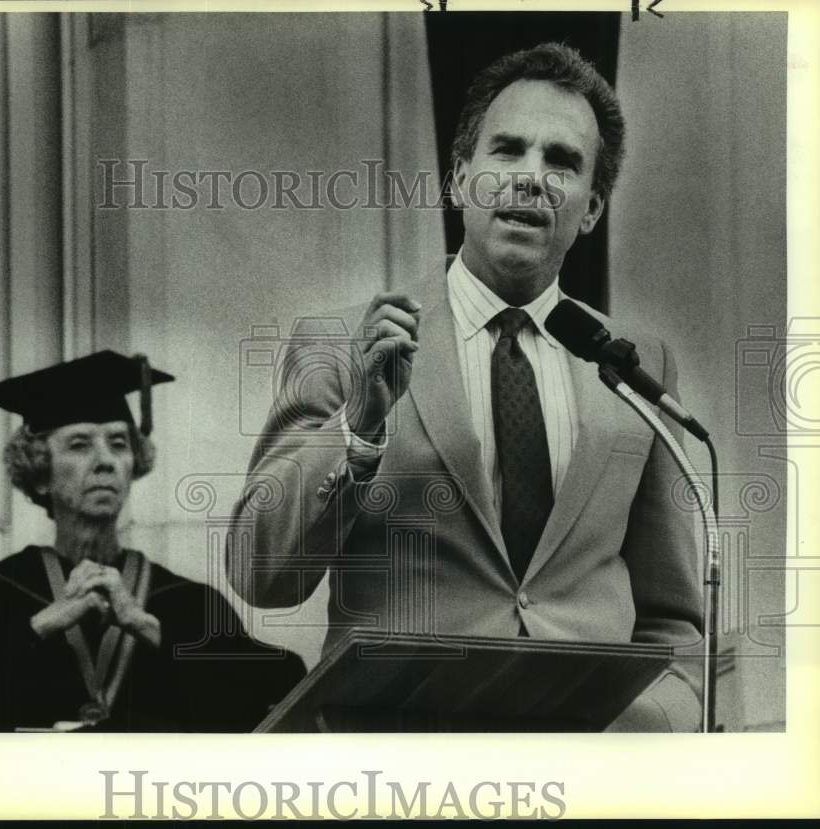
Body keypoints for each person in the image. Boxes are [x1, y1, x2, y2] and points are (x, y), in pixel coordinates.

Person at [226, 43, 702, 732]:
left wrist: (643, 733)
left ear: (592, 206)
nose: (531, 179)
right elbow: (258, 571)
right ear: (458, 179)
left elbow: (675, 620)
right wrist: (357, 433)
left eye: (562, 162)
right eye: (507, 151)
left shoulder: (635, 363)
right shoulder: (342, 343)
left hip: (587, 771)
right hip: (399, 767)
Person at [0, 351, 304, 732]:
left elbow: (277, 692)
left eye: (118, 443)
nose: (105, 460)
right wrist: (40, 626)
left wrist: (145, 625)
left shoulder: (187, 603)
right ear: (40, 471)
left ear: (135, 465)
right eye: (80, 444)